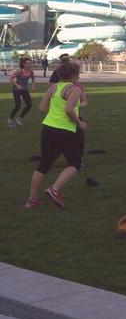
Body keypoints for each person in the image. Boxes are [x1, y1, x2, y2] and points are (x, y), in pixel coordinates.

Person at [25, 60, 86, 208]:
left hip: (47, 128)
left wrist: (54, 116)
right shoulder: (75, 89)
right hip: (64, 130)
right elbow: (69, 110)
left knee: (44, 163)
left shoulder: (53, 88)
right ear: (73, 75)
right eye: (78, 74)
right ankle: (54, 189)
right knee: (75, 163)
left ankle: (31, 200)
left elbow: (42, 108)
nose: (79, 77)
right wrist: (79, 123)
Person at [9, 56, 35, 128]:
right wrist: (17, 85)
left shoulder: (31, 72)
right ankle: (10, 120)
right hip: (16, 90)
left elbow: (33, 79)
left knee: (29, 105)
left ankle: (20, 118)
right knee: (18, 106)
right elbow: (11, 79)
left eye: (30, 63)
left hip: (24, 90)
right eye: (27, 63)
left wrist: (33, 86)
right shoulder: (19, 71)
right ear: (24, 64)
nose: (29, 65)